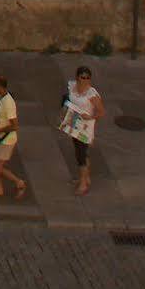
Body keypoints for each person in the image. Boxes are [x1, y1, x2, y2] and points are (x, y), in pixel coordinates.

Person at [60, 63, 106, 195]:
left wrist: (90, 116)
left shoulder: (92, 94)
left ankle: (83, 183)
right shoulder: (72, 86)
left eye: (87, 78)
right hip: (74, 123)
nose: (85, 80)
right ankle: (86, 177)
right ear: (77, 77)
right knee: (80, 151)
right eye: (82, 77)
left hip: (85, 127)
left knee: (80, 155)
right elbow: (69, 101)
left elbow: (101, 112)